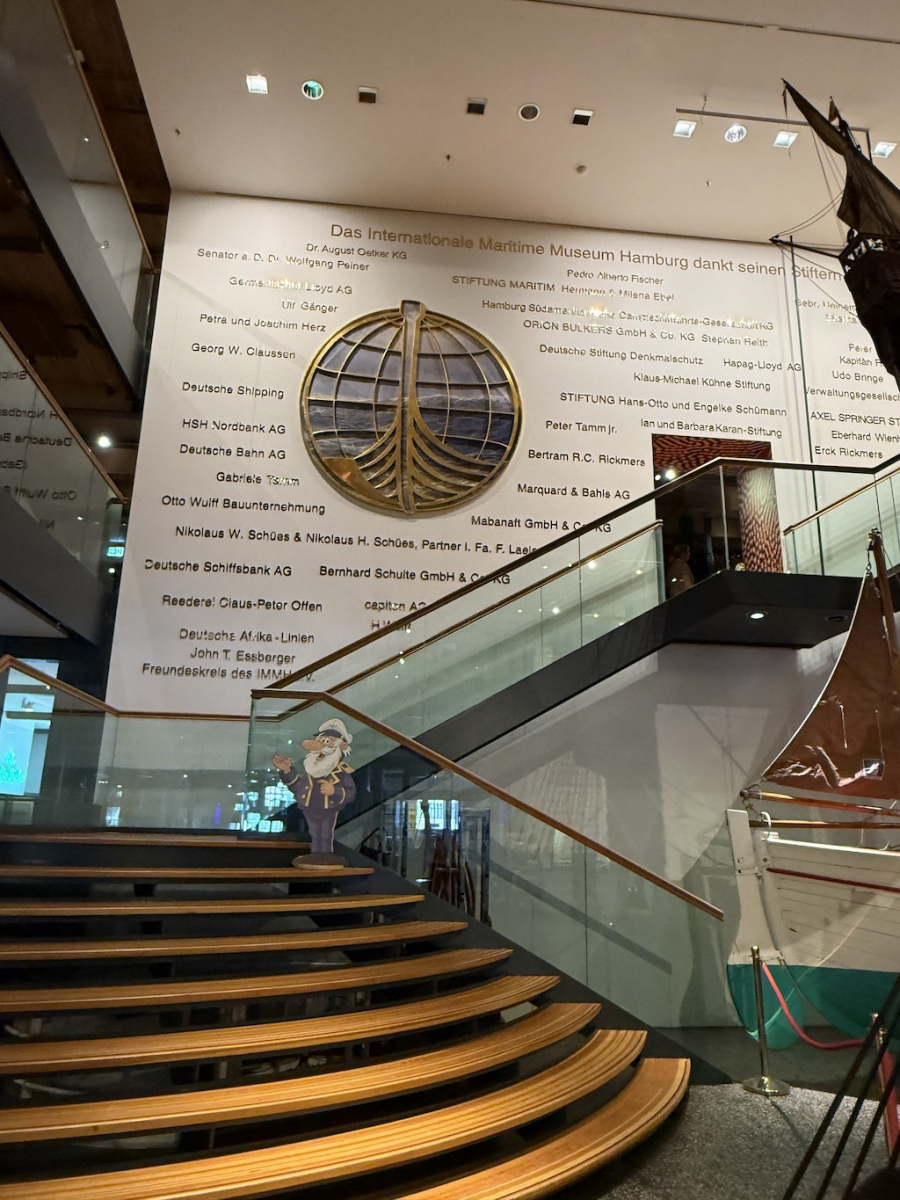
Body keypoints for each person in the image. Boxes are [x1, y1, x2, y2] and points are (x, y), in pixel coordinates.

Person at [271, 717, 355, 863]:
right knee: (314, 833)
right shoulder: (311, 770)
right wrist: (287, 771)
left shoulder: (341, 772)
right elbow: (297, 787)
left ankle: (326, 856)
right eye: (322, 740)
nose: (324, 744)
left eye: (330, 741)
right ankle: (316, 855)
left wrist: (334, 791)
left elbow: (350, 793)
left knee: (326, 833)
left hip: (329, 808)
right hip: (309, 807)